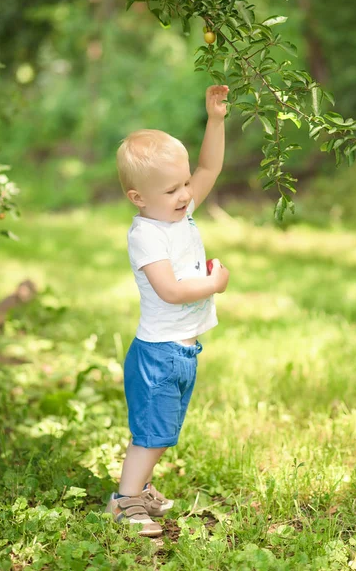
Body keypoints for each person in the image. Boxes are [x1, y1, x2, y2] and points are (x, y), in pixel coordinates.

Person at [105, 85, 230, 537]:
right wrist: (214, 283)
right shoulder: (146, 235)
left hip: (181, 352)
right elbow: (172, 290)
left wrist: (214, 121)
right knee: (152, 435)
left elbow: (210, 167)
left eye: (183, 185)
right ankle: (125, 501)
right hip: (158, 355)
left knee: (163, 431)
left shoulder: (179, 211)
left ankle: (141, 489)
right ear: (138, 198)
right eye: (171, 189)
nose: (184, 193)